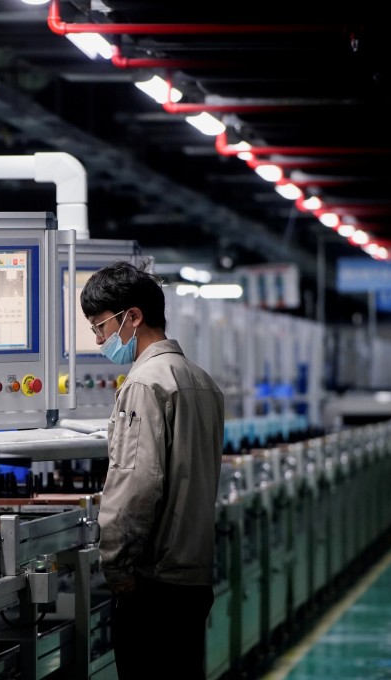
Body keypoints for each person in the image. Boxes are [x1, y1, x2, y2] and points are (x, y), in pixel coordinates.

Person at [80, 260, 225, 680]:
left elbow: (136, 484)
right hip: (192, 577)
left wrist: (117, 565)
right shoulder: (201, 381)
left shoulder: (145, 384)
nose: (99, 340)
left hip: (154, 584)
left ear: (133, 317)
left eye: (101, 327)